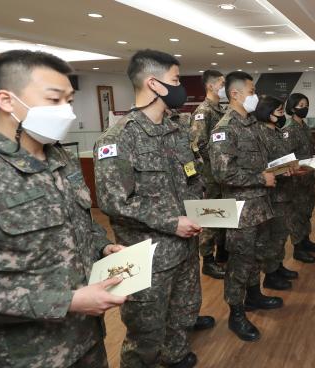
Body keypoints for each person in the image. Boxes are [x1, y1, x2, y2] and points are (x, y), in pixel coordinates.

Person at [0, 50, 126, 367]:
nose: (67, 112)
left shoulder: (61, 158)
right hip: (23, 354)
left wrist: (102, 246)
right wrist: (67, 301)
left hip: (85, 340)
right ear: (7, 100)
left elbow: (81, 222)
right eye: (54, 99)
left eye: (69, 101)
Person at [93, 49, 212, 368]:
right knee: (145, 333)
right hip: (149, 257)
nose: (180, 87)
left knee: (184, 312)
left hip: (186, 249)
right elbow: (114, 200)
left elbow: (191, 177)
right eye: (175, 80)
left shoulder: (177, 129)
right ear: (154, 84)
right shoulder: (118, 138)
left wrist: (206, 210)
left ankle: (174, 356)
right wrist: (172, 222)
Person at [209, 71, 283, 342]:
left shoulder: (251, 124)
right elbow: (222, 173)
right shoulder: (224, 129)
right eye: (252, 92)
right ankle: (236, 313)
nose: (256, 97)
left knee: (256, 256)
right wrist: (259, 178)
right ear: (235, 94)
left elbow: (263, 160)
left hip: (261, 205)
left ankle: (254, 296)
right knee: (239, 262)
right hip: (240, 210)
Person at [254, 95, 300, 290]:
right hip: (272, 195)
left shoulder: (278, 132)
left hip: (285, 191)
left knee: (282, 234)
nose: (282, 115)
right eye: (279, 111)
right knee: (273, 236)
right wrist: (281, 169)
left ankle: (278, 266)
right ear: (267, 111)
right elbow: (261, 166)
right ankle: (270, 275)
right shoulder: (258, 134)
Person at [190, 69, 227, 280]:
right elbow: (196, 144)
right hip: (211, 174)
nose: (224, 88)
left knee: (223, 214)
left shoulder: (220, 110)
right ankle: (208, 260)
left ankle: (222, 251)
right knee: (211, 216)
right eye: (221, 84)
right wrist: (210, 169)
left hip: (222, 174)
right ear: (211, 86)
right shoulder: (203, 111)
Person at [284, 93, 315, 263]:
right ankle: (298, 248)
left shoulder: (304, 126)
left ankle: (306, 241)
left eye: (306, 104)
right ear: (292, 108)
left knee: (307, 210)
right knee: (296, 214)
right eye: (301, 105)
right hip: (295, 180)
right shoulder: (289, 129)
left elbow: (309, 148)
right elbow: (286, 156)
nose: (304, 107)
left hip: (308, 177)